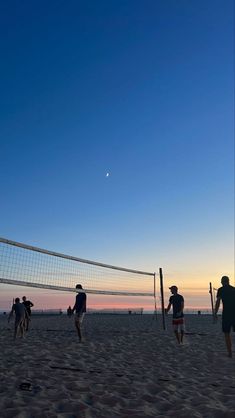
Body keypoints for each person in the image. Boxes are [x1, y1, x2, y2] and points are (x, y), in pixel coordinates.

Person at [214, 276, 235, 358]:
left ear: (222, 282)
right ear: (228, 281)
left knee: (227, 334)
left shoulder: (221, 290)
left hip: (226, 314)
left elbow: (218, 302)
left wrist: (215, 312)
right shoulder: (234, 289)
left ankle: (230, 353)